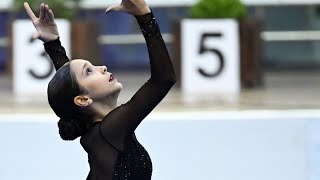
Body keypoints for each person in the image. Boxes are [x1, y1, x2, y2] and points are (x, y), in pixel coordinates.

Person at [24, 0, 176, 179]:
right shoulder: (111, 129)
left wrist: (53, 44)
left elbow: (72, 88)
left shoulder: (97, 128)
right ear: (83, 100)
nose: (102, 67)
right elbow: (163, 80)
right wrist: (144, 16)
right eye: (89, 71)